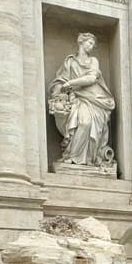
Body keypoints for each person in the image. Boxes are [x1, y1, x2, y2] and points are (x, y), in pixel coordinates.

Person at [48, 32, 116, 167]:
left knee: (86, 123)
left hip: (94, 98)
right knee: (84, 122)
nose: (91, 47)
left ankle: (87, 158)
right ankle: (73, 156)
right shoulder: (70, 62)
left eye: (93, 45)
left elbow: (91, 79)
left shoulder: (93, 61)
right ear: (81, 42)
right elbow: (61, 80)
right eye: (89, 43)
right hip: (77, 98)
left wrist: (70, 84)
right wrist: (59, 89)